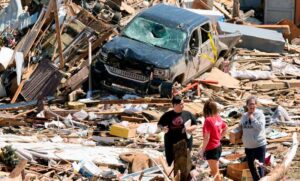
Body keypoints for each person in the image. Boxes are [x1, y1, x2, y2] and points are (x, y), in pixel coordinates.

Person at [157, 95, 197, 166]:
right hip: (171, 142)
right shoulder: (167, 115)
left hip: (185, 142)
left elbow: (195, 124)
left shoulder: (187, 114)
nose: (183, 106)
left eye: (183, 103)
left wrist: (189, 128)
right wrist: (162, 129)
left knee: (185, 162)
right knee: (171, 161)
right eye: (181, 104)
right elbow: (159, 125)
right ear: (175, 105)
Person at [239, 96, 267, 181]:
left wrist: (252, 118)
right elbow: (241, 126)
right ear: (247, 105)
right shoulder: (244, 116)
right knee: (252, 169)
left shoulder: (260, 114)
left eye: (254, 104)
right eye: (250, 104)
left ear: (256, 105)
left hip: (259, 146)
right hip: (248, 147)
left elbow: (260, 127)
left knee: (259, 169)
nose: (252, 106)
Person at [199, 100, 227, 181]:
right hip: (218, 146)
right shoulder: (218, 118)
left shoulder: (208, 120)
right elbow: (225, 128)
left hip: (211, 149)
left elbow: (206, 138)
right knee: (216, 171)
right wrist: (219, 138)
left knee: (215, 172)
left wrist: (202, 150)